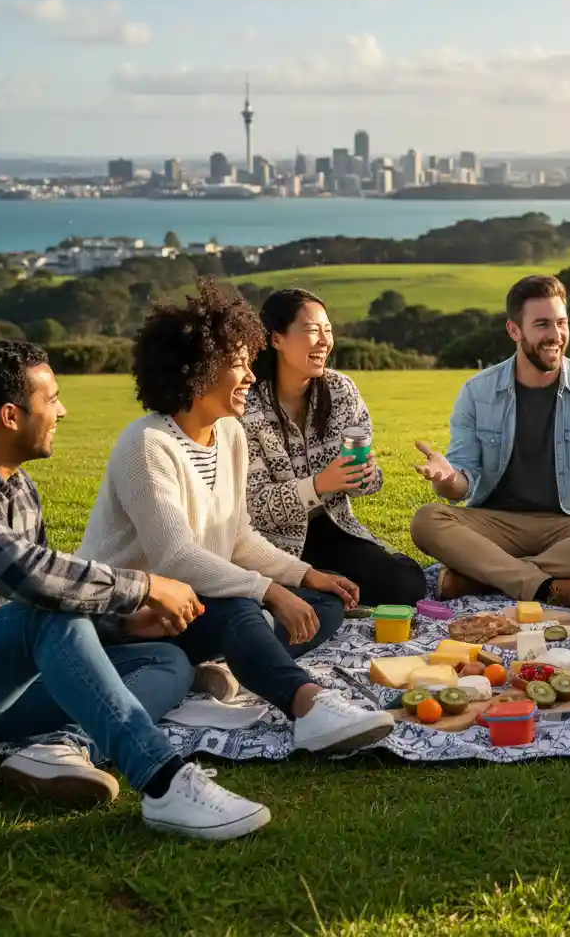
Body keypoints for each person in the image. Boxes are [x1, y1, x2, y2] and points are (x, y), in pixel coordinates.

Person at [77, 281, 395, 755]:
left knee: (323, 603)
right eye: (237, 364)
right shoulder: (146, 444)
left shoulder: (228, 433)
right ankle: (307, 705)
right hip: (127, 617)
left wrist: (306, 575)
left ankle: (230, 667)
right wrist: (269, 591)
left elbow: (238, 534)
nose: (250, 376)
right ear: (197, 371)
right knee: (246, 607)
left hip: (190, 606)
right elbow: (175, 557)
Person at [0, 340, 270, 839]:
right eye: (50, 399)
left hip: (9, 689)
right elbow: (27, 577)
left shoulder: (20, 487)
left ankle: (59, 747)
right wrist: (141, 589)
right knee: (45, 613)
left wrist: (119, 624)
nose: (62, 411)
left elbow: (43, 596)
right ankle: (163, 780)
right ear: (11, 415)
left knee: (165, 659)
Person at [409, 274, 570, 609]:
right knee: (427, 520)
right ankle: (548, 587)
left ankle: (480, 577)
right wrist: (446, 480)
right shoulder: (477, 392)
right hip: (495, 524)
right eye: (542, 324)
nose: (556, 335)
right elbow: (462, 485)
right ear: (514, 331)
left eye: (562, 323)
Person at [245, 288, 426, 607]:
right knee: (303, 601)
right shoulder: (248, 407)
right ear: (276, 338)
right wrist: (318, 485)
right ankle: (310, 586)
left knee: (406, 584)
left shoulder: (341, 391)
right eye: (312, 330)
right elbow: (254, 506)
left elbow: (368, 483)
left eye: (327, 330)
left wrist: (366, 476)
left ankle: (322, 585)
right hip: (269, 544)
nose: (324, 340)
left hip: (330, 527)